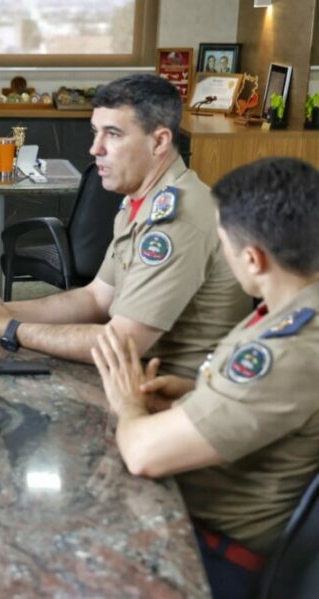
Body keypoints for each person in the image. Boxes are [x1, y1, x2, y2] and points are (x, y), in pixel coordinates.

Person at [91, 157, 319, 599]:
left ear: (253, 259)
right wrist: (198, 393)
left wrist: (128, 402)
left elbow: (143, 454)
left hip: (216, 552)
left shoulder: (285, 348)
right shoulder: (292, 308)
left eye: (225, 247)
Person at [0, 74, 251, 377]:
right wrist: (5, 309)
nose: (95, 148)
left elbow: (122, 342)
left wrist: (10, 328)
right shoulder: (140, 200)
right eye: (95, 132)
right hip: (135, 375)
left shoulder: (176, 219)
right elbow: (97, 298)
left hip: (175, 393)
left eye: (112, 134)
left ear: (159, 142)